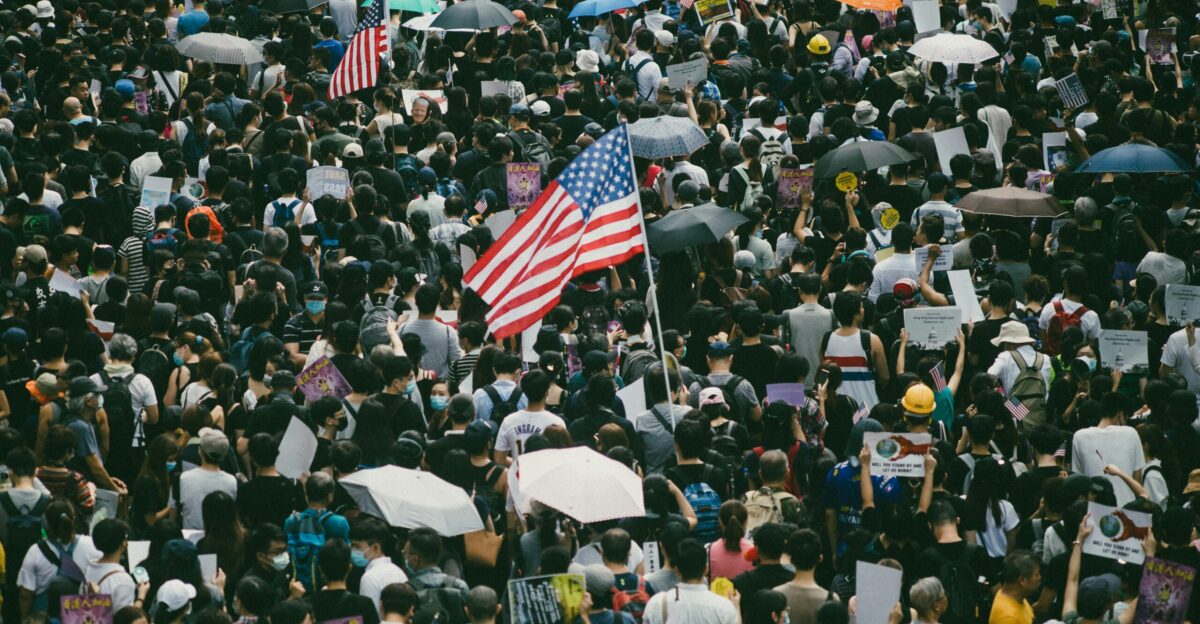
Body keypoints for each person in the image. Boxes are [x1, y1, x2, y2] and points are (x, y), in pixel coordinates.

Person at [643, 538, 739, 624]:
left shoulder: (656, 604)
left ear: (677, 571)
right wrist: (736, 608)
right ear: (706, 569)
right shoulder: (725, 608)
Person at [178, 428, 238, 530]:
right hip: (222, 538)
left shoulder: (184, 478)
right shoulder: (232, 481)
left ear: (200, 451)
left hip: (190, 538)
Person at [350, 516, 408, 616]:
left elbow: (369, 617)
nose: (353, 550)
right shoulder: (399, 572)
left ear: (376, 547)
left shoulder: (370, 577)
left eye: (357, 546)